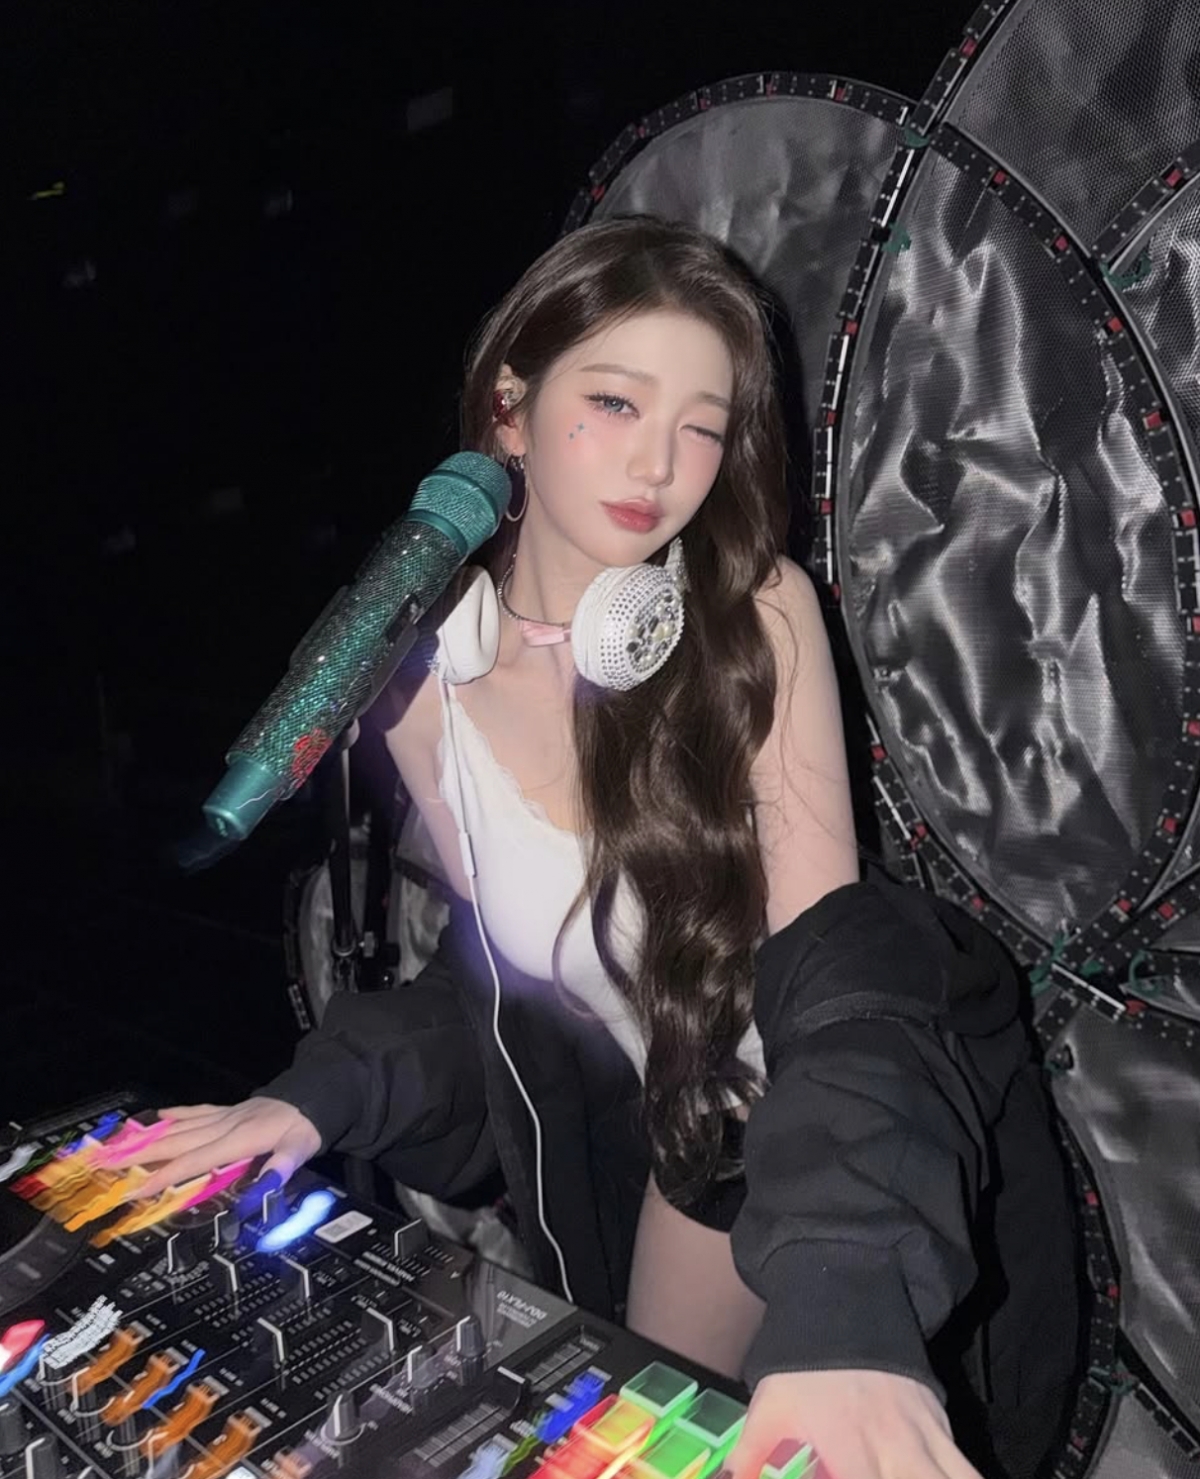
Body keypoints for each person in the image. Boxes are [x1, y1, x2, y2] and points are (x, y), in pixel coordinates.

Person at [113, 217, 1079, 1479]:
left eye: (702, 426)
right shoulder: (420, 687)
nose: (659, 464)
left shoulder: (757, 616)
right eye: (615, 402)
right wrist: (314, 1098)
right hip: (662, 1137)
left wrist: (849, 1296)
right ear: (508, 413)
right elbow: (507, 990)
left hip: (815, 1139)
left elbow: (835, 976)